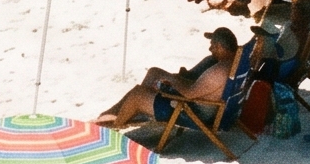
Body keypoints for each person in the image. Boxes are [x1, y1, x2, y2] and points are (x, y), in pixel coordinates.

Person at [96, 28, 241, 128]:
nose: (210, 49)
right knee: (154, 72)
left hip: (193, 113)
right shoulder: (233, 64)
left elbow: (189, 94)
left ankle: (115, 125)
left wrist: (172, 81)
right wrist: (172, 78)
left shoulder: (219, 71)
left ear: (221, 47)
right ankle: (116, 113)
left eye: (213, 46)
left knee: (137, 94)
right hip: (202, 102)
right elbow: (199, 88)